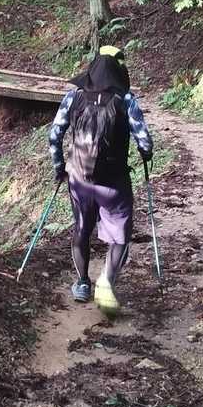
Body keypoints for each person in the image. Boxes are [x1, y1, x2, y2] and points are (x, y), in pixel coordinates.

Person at [48, 46, 153, 315]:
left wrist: (60, 167)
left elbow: (55, 135)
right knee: (119, 236)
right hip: (114, 182)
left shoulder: (73, 96)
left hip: (79, 179)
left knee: (82, 229)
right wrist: (145, 154)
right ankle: (106, 282)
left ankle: (83, 283)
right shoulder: (125, 100)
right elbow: (144, 141)